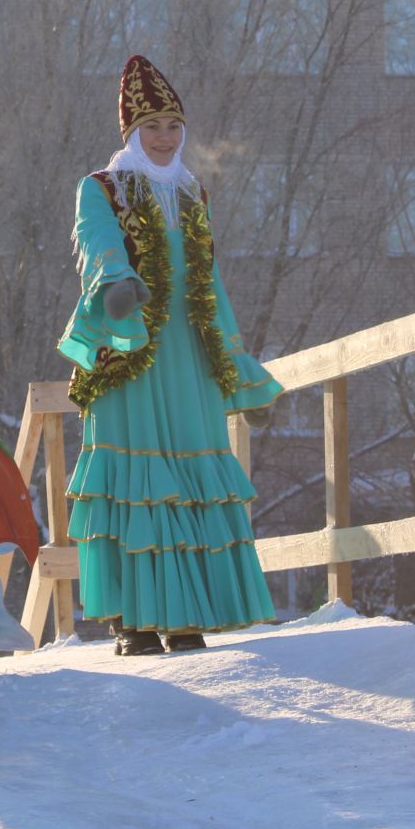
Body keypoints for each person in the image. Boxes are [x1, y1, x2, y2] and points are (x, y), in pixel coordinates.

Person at [58, 56, 282, 655]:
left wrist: (241, 373)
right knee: (136, 478)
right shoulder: (101, 187)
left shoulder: (191, 193)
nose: (164, 136)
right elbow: (97, 241)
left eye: (173, 125)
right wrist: (118, 282)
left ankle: (185, 616)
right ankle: (133, 619)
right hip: (128, 347)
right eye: (152, 125)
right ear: (131, 132)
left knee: (187, 477)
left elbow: (210, 285)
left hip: (186, 353)